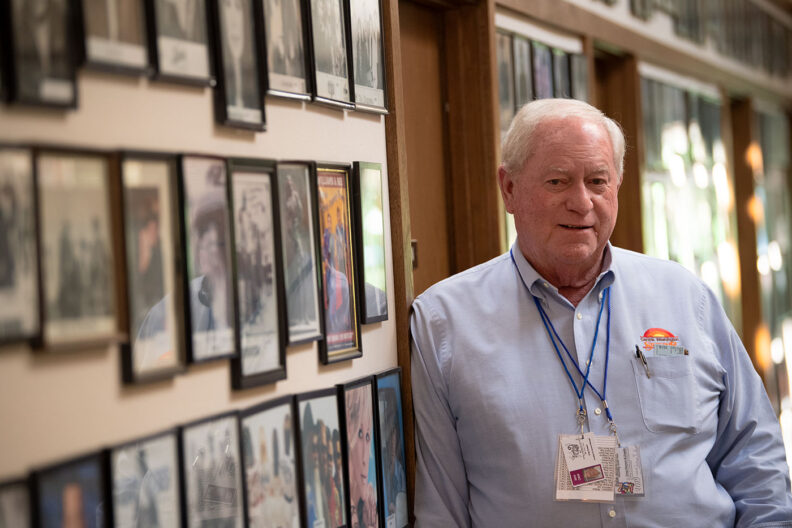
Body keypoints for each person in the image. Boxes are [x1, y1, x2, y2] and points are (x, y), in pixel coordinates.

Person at [410, 98, 792, 527]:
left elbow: (756, 456)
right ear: (509, 189)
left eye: (597, 181)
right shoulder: (443, 322)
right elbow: (441, 508)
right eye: (557, 181)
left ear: (618, 185)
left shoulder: (686, 298)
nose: (581, 202)